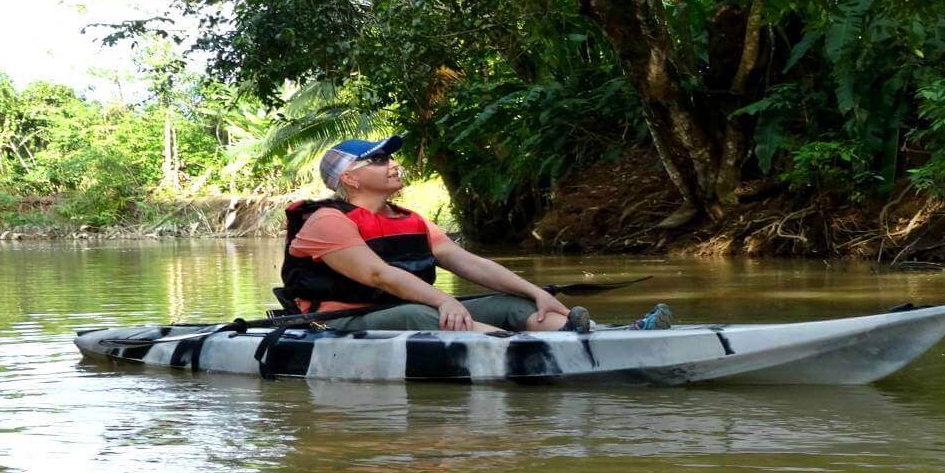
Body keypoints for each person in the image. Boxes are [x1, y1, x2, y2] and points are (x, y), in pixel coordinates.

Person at [280, 136, 672, 333]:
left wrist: (536, 292)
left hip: (408, 311)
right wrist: (443, 301)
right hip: (341, 324)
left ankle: (606, 336)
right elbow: (378, 275)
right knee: (424, 313)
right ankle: (526, 348)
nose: (393, 164)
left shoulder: (410, 219)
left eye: (391, 157)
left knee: (512, 304)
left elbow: (468, 262)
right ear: (348, 178)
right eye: (378, 160)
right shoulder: (327, 221)